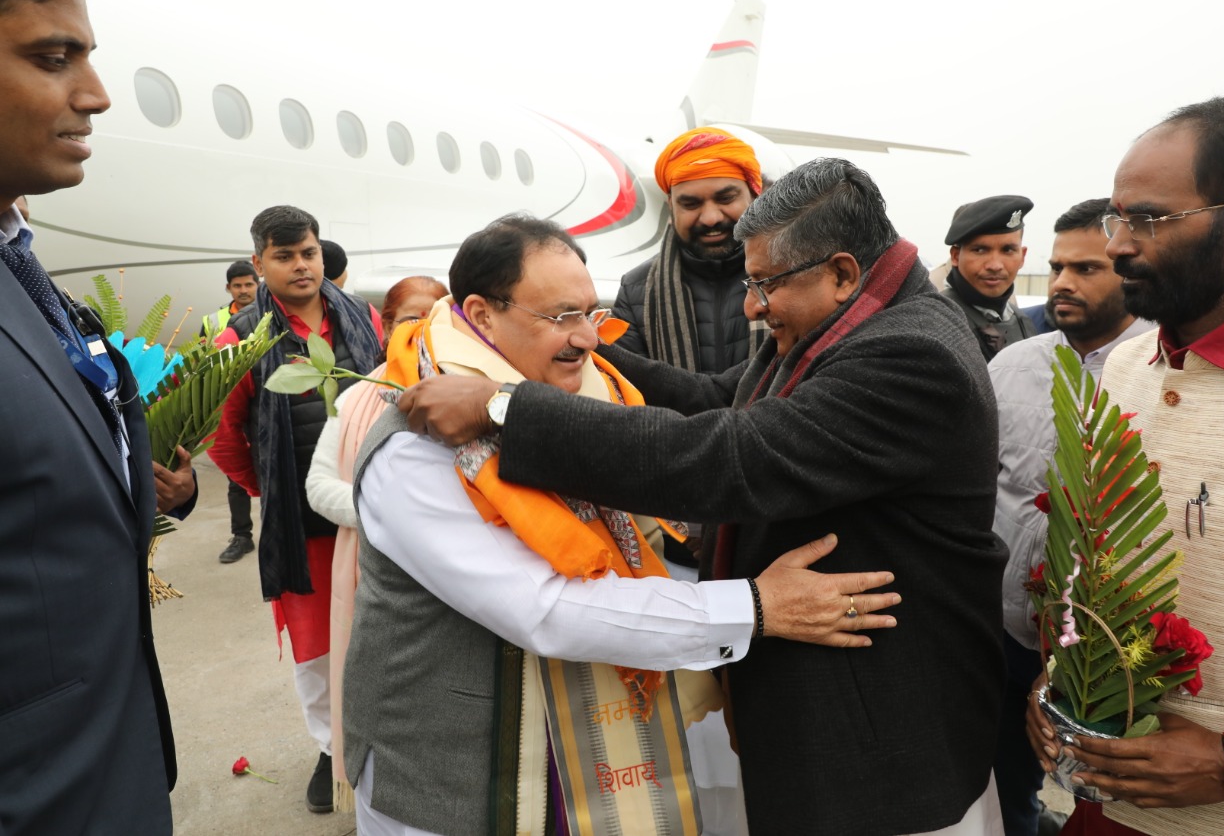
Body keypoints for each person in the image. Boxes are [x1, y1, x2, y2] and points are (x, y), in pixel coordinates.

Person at [395, 159, 1008, 835]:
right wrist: (579, 344)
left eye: (765, 284)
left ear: (839, 272)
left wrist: (508, 406)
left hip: (881, 741)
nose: (752, 305)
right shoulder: (841, 324)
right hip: (840, 713)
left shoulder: (910, 354)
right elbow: (722, 397)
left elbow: (732, 454)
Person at [1028, 96, 1224, 835]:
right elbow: (1090, 558)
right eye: (1117, 218)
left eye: (1148, 220)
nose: (1118, 246)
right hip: (1103, 806)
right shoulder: (1126, 366)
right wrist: (1057, 680)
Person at [0, 0, 195, 831]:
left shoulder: (24, 267)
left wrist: (151, 488)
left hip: (103, 765)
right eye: (52, 58)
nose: (96, 94)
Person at [208, 205, 383, 815]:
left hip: (373, 513)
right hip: (300, 521)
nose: (300, 266)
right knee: (316, 649)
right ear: (259, 265)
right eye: (283, 257)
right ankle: (331, 750)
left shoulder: (363, 316)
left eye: (307, 252)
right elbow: (225, 436)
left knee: (381, 630)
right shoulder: (239, 340)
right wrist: (273, 487)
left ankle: (382, 740)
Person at [987, 197, 1154, 836]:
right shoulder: (1011, 366)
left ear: (1127, 269)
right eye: (1056, 267)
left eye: (1086, 268)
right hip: (1004, 635)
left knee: (1102, 800)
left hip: (1114, 654)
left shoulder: (1163, 372)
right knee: (1006, 788)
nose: (1061, 283)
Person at [304, 274, 447, 812]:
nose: (423, 327)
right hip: (372, 579)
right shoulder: (356, 396)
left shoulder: (475, 388)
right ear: (386, 327)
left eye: (436, 314)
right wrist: (393, 518)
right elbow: (319, 487)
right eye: (410, 316)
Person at [612, 126, 764, 582]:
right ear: (671, 207)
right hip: (673, 524)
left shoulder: (794, 278)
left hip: (773, 510)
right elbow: (627, 408)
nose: (711, 216)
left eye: (726, 197)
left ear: (755, 196)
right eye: (690, 203)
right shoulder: (637, 289)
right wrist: (681, 522)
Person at [200, 259, 261, 564]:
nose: (243, 290)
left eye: (248, 284)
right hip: (232, 409)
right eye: (237, 285)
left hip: (258, 406)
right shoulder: (214, 321)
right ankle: (242, 536)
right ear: (228, 288)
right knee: (236, 479)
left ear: (257, 284)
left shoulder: (267, 315)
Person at [942, 194, 1038, 360]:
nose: (995, 265)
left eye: (1008, 250)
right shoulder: (936, 320)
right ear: (956, 256)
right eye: (980, 250)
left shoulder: (1023, 322)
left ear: (1022, 256)